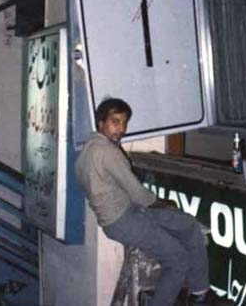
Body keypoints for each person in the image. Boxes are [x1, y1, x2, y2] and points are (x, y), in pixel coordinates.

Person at [75, 98, 233, 306]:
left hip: (121, 217)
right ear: (100, 123)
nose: (121, 129)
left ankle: (200, 294)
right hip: (126, 219)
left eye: (124, 123)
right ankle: (188, 296)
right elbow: (140, 195)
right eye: (115, 122)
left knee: (189, 228)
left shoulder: (87, 149)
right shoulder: (108, 152)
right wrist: (165, 204)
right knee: (178, 260)